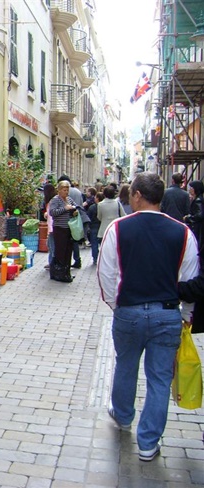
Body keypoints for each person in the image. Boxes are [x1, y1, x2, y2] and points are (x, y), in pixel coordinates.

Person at [97, 172, 199, 463]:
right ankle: (148, 442)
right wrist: (187, 314)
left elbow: (107, 274)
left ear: (138, 195)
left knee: (126, 365)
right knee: (159, 379)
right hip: (167, 313)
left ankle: (124, 415)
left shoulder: (119, 228)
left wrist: (117, 306)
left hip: (129, 311)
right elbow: (190, 278)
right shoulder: (182, 232)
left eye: (131, 195)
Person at [48, 180, 79, 282]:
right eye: (64, 190)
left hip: (68, 228)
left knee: (68, 251)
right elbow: (52, 212)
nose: (66, 192)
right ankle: (58, 273)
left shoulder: (69, 199)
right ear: (59, 190)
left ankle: (66, 272)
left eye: (67, 190)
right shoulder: (55, 200)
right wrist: (65, 209)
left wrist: (75, 211)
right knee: (60, 251)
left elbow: (75, 206)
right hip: (59, 229)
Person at [58, 175, 84, 268]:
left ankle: (64, 263)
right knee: (75, 240)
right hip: (76, 219)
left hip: (66, 221)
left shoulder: (63, 195)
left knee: (67, 243)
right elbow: (80, 205)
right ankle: (77, 260)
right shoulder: (78, 192)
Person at [184, 180, 204, 267]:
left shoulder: (198, 200)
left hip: (197, 228)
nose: (190, 190)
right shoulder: (197, 199)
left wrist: (188, 218)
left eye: (191, 188)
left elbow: (199, 215)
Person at [42, 183, 56, 269]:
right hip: (52, 226)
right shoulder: (53, 200)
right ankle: (51, 262)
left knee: (51, 246)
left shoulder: (51, 201)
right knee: (50, 245)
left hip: (52, 227)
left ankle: (52, 263)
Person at [87, 191, 103, 265]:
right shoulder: (103, 206)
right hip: (101, 226)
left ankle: (95, 258)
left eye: (96, 197)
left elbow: (88, 217)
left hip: (93, 226)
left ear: (98, 198)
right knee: (102, 243)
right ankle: (102, 257)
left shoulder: (92, 207)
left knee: (94, 243)